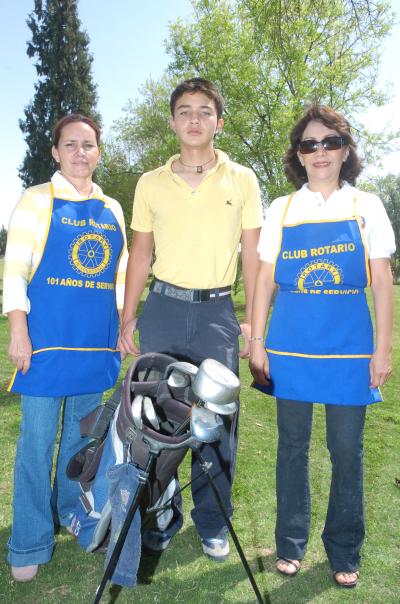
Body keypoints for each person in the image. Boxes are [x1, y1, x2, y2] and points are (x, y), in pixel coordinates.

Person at [249, 105, 395, 587]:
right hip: (290, 350)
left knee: (346, 450)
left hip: (351, 352)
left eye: (330, 143)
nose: (320, 153)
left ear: (346, 150)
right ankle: (290, 544)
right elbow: (264, 281)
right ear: (299, 154)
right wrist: (256, 340)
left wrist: (382, 349)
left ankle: (343, 549)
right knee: (291, 447)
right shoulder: (282, 209)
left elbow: (381, 282)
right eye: (309, 145)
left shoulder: (366, 206)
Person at [118, 78, 261, 561]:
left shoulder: (242, 179)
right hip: (163, 308)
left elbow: (254, 257)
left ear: (219, 121)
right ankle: (157, 513)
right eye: (184, 111)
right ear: (173, 121)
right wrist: (127, 316)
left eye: (204, 111)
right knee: (157, 418)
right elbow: (140, 254)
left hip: (218, 313)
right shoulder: (150, 182)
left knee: (216, 422)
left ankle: (213, 522)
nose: (194, 119)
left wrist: (251, 326)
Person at [3, 114, 128, 582]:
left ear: (98, 152)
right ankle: (30, 540)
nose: (80, 152)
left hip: (95, 346)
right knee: (36, 443)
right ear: (55, 151)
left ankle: (73, 511)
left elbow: (118, 277)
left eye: (89, 145)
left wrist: (121, 324)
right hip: (45, 345)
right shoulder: (36, 201)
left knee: (82, 440)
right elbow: (14, 271)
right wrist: (19, 329)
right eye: (70, 145)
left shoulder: (113, 209)